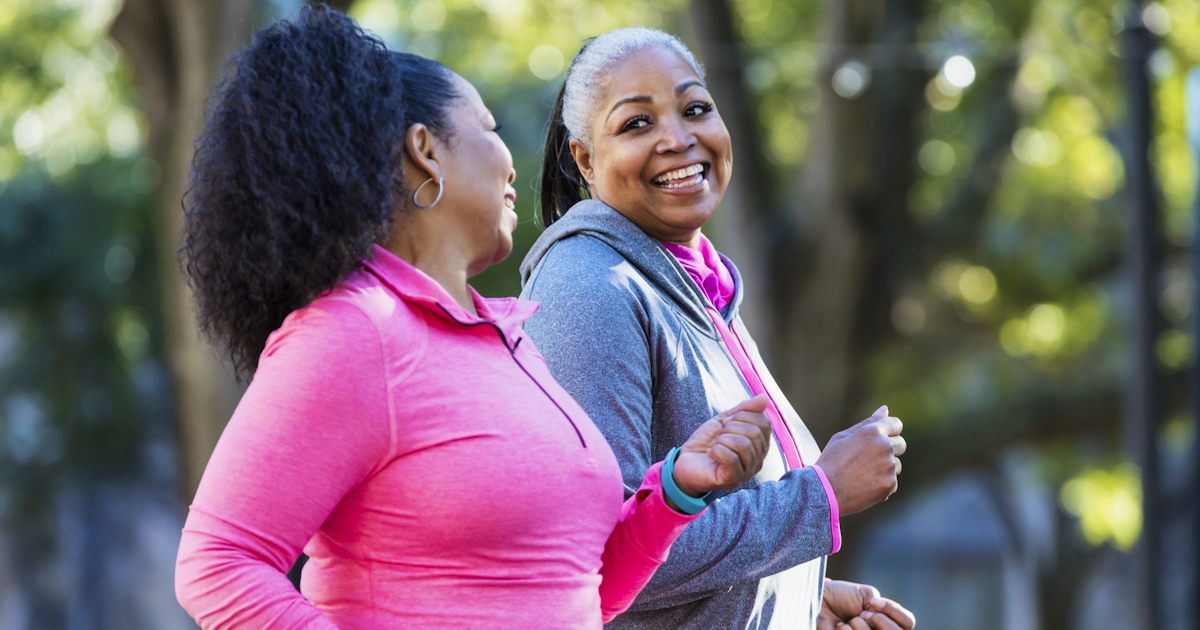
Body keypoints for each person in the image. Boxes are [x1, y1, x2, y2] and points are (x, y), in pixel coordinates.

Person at [173, 9, 779, 629]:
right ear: (425, 151)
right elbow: (218, 562)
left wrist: (674, 491)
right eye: (487, 128)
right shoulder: (355, 332)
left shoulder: (508, 344)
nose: (513, 163)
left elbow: (580, 588)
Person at [520, 27, 916, 630]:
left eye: (695, 109)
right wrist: (822, 494)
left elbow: (697, 537)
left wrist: (799, 599)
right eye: (636, 124)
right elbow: (602, 556)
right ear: (584, 159)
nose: (678, 139)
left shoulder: (694, 285)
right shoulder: (590, 288)